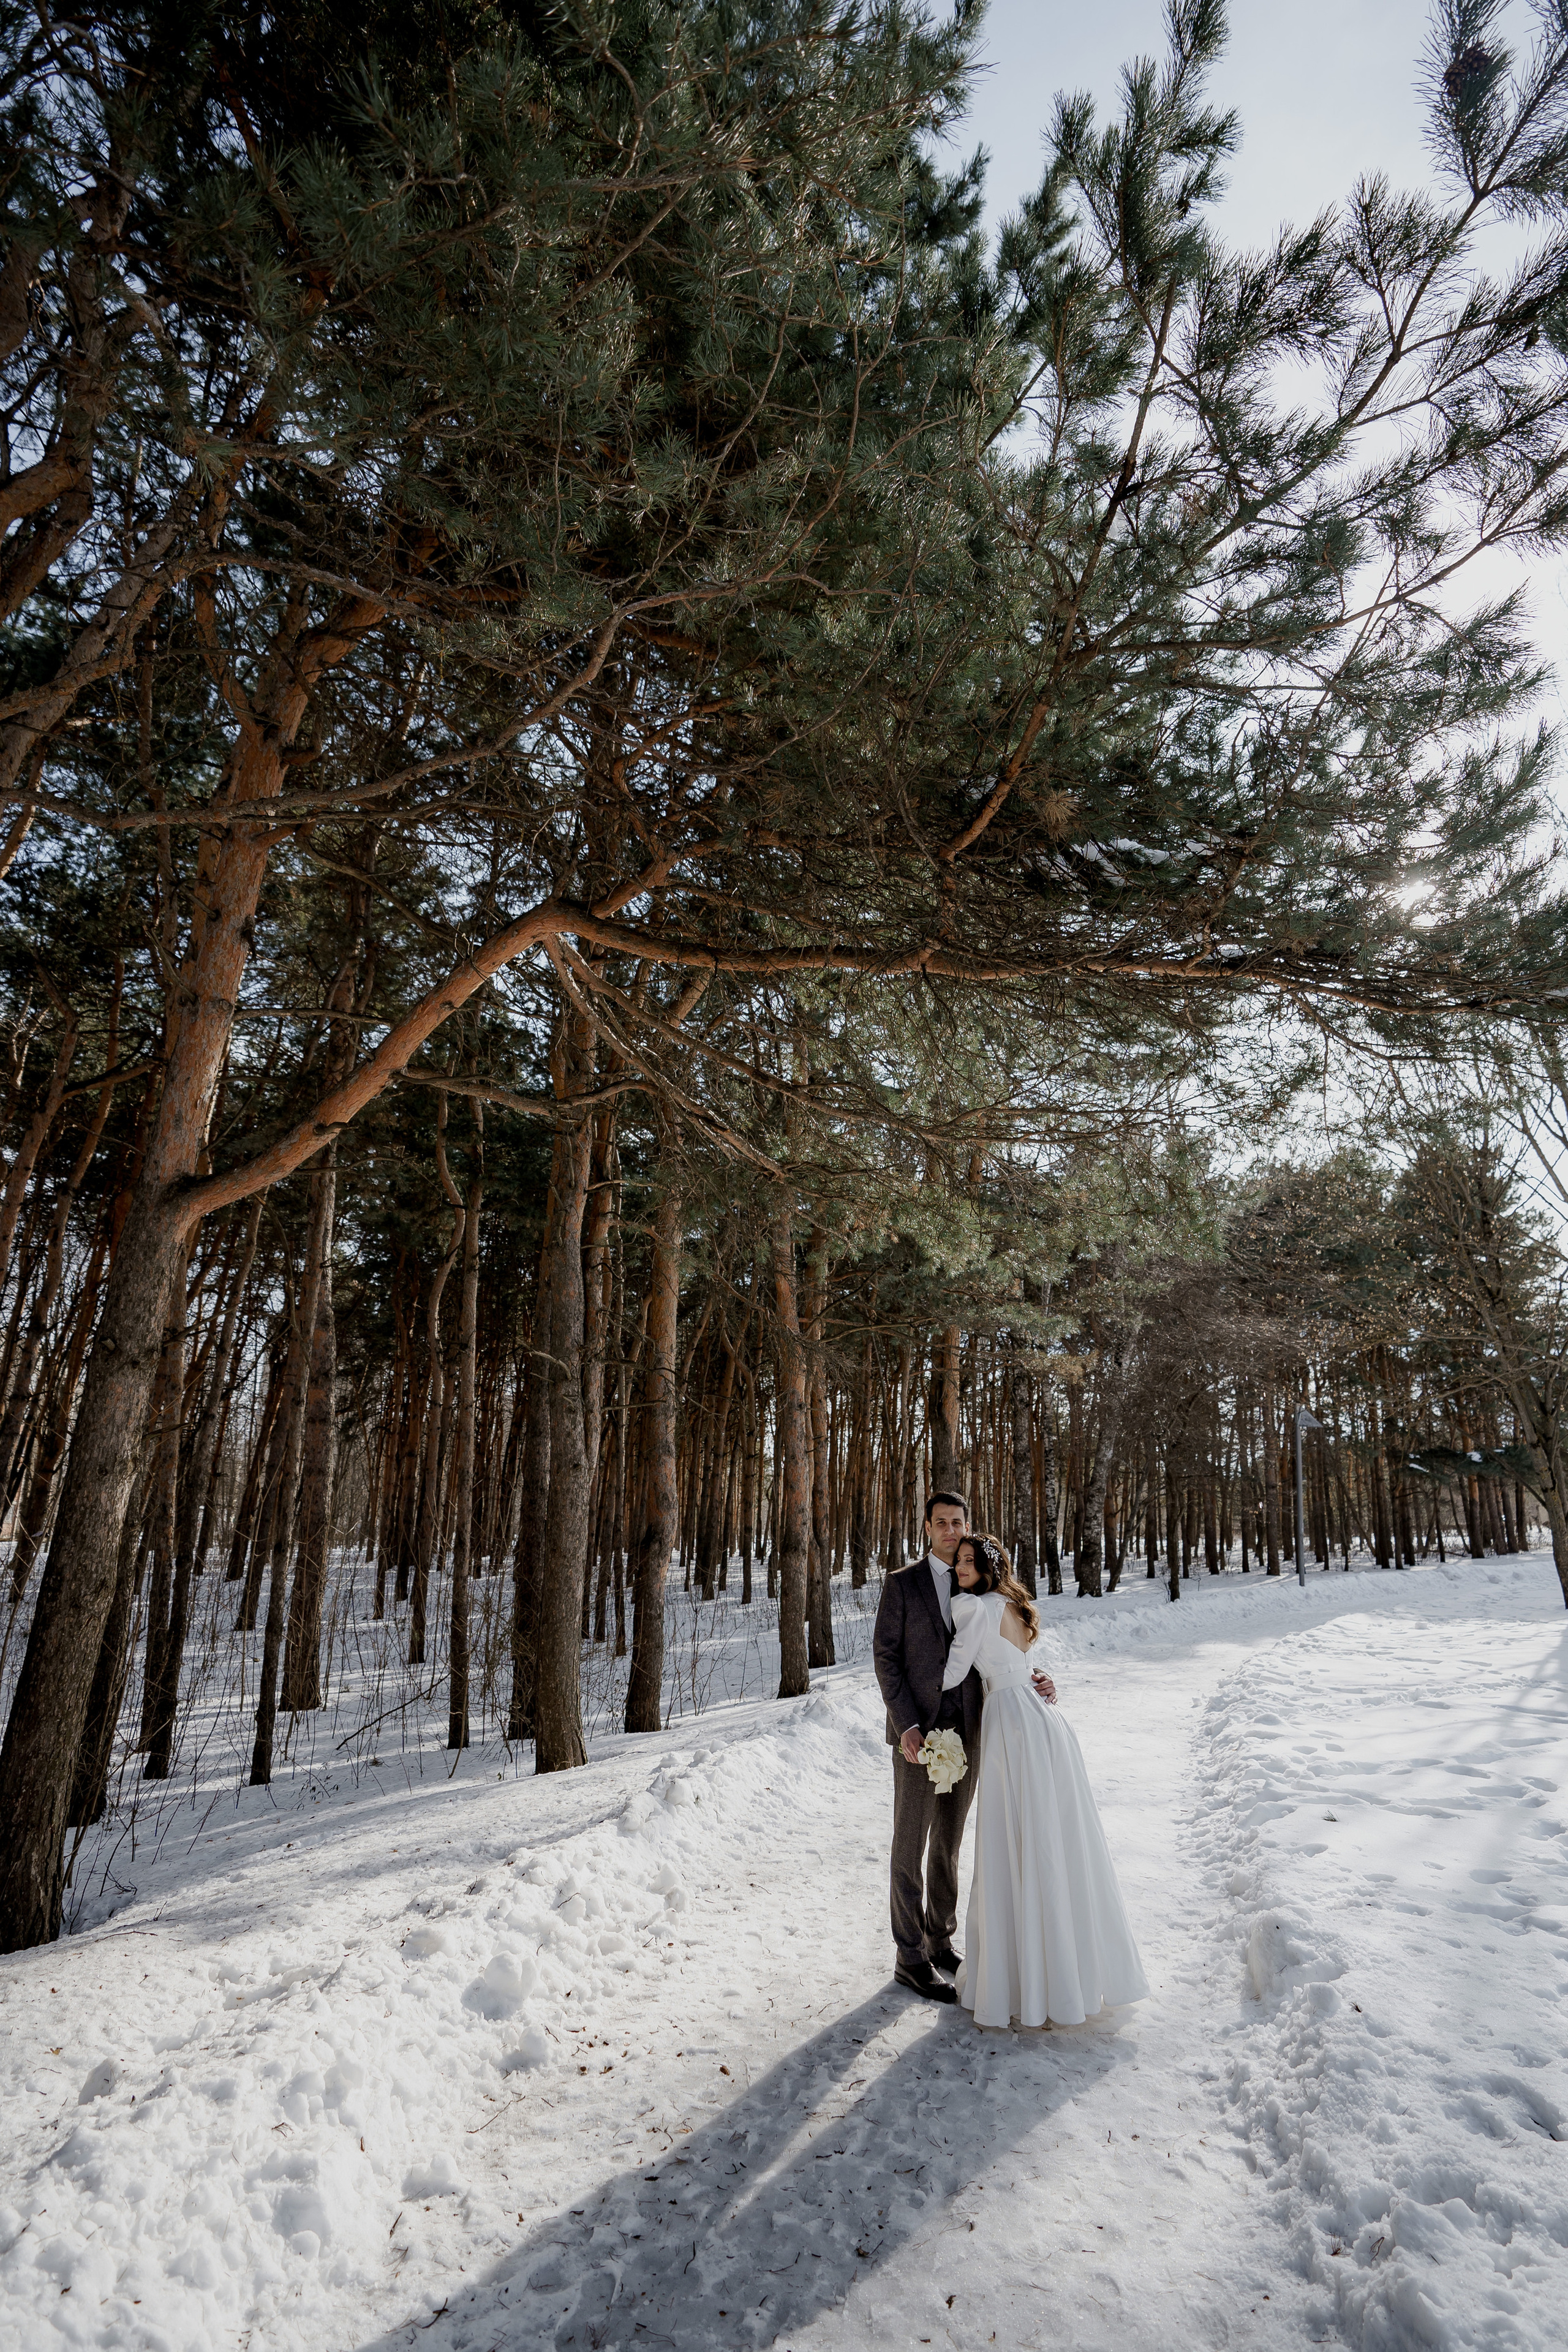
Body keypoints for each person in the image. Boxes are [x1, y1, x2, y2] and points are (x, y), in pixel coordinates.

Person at [941, 1532, 1149, 2029]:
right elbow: (1022, 1664)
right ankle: (1062, 1977)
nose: (962, 1567)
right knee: (1053, 1839)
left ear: (989, 1567)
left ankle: (1022, 1980)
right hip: (1043, 1719)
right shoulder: (1012, 1604)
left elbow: (951, 1674)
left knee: (1015, 1839)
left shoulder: (975, 1609)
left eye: (971, 1561)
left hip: (1012, 1723)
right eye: (960, 1561)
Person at [872, 1492, 1054, 2003]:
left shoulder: (979, 1579)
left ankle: (939, 1938)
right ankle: (909, 1957)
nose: (951, 1531)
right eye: (942, 1523)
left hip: (973, 1730)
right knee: (910, 1845)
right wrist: (905, 1724)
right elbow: (886, 1659)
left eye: (958, 1523)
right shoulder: (902, 1584)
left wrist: (1034, 1677)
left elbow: (1003, 1647)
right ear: (927, 1528)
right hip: (919, 1737)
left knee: (950, 1843)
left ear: (967, 1526)